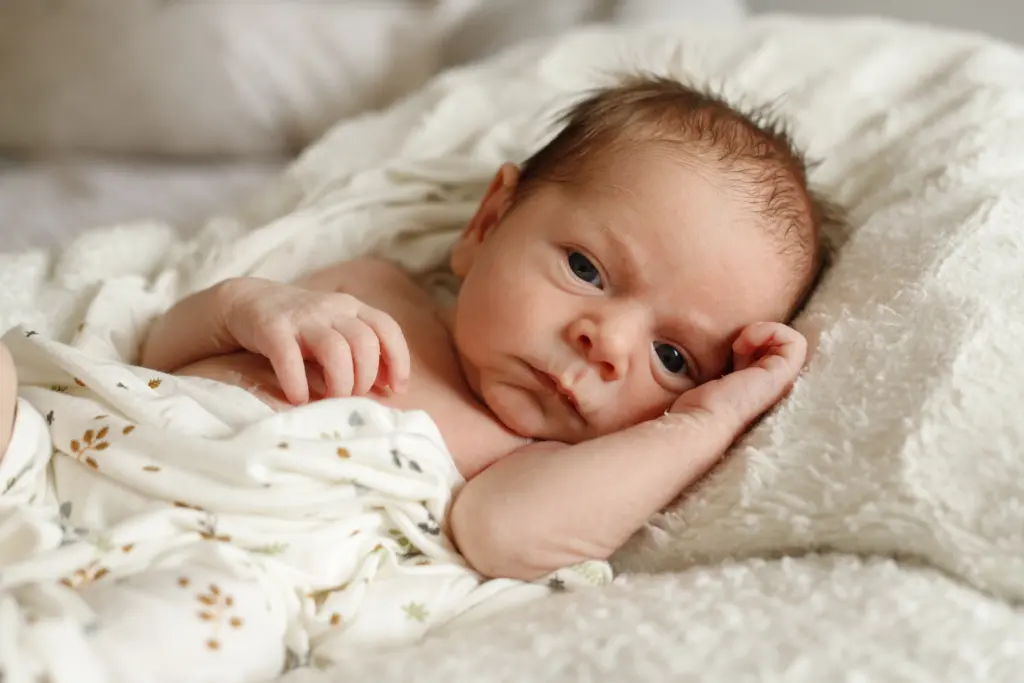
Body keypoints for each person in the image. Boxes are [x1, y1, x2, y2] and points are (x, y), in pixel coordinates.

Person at [0, 75, 826, 582]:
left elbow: (505, 537)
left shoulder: (529, 466)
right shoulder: (367, 289)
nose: (605, 343)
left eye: (674, 357)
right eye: (586, 268)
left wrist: (710, 418)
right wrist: (250, 306)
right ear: (488, 221)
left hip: (206, 569)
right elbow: (158, 351)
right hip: (49, 460)